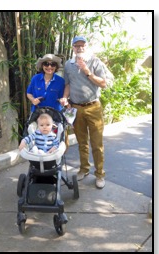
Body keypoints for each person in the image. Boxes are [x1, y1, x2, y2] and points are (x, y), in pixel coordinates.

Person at [60, 36, 107, 189]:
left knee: (97, 143)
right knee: (82, 142)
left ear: (86, 46)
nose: (79, 48)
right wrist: (65, 98)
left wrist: (88, 72)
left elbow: (104, 84)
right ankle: (84, 169)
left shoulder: (95, 61)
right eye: (76, 46)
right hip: (76, 108)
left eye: (82, 45)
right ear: (73, 47)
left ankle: (99, 174)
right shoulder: (68, 64)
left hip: (93, 107)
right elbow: (68, 84)